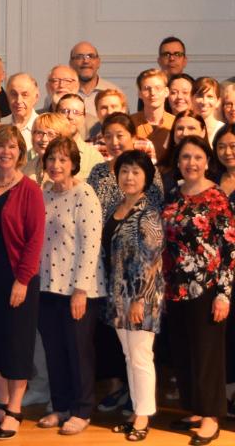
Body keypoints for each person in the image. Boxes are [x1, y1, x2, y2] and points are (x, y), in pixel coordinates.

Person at [0, 125, 45, 439]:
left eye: (12, 147)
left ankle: (15, 408)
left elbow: (34, 239)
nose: (6, 152)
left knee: (15, 344)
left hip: (15, 276)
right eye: (0, 146)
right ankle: (1, 403)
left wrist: (22, 280)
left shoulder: (29, 189)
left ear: (20, 152)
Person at [160, 135, 235, 445]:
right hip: (174, 287)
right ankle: (193, 407)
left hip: (205, 288)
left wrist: (223, 293)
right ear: (178, 162)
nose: (191, 163)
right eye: (185, 157)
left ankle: (210, 416)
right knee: (184, 351)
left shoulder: (216, 197)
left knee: (207, 355)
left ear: (207, 161)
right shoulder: (174, 195)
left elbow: (230, 248)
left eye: (197, 157)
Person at [36, 137, 103, 435]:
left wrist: (81, 290)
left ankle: (82, 409)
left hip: (78, 289)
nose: (56, 165)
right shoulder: (44, 193)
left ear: (74, 163)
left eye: (63, 159)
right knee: (55, 350)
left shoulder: (84, 193)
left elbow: (91, 245)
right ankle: (60, 406)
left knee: (79, 351)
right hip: (47, 286)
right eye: (51, 159)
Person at [103, 150, 163, 442]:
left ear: (147, 178)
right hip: (116, 295)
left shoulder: (148, 212)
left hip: (140, 297)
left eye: (136, 172)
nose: (129, 177)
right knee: (129, 356)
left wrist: (140, 299)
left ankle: (143, 416)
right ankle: (137, 410)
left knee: (140, 357)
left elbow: (151, 260)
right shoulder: (116, 208)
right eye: (124, 171)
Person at [87, 114, 164, 219]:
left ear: (133, 137)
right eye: (108, 137)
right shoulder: (98, 171)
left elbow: (155, 209)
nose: (114, 142)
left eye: (120, 136)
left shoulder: (148, 170)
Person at [3, 74, 40, 151]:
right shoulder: (0, 125)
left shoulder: (44, 127)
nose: (18, 100)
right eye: (13, 94)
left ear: (36, 97)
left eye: (25, 95)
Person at [191, 77, 224, 142]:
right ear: (191, 98)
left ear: (218, 101)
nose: (204, 102)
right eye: (199, 96)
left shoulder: (224, 131)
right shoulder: (184, 128)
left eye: (210, 96)